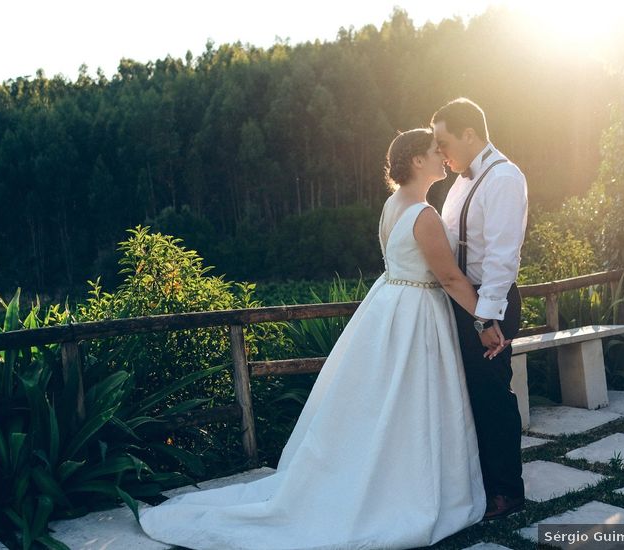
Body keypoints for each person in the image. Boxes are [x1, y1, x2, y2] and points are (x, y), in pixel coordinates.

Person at [139, 128, 501, 549]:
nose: (443, 156)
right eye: (435, 151)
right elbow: (451, 277)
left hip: (389, 309)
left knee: (388, 406)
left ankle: (384, 477)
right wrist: (485, 318)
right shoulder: (423, 214)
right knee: (414, 402)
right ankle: (409, 489)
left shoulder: (392, 205)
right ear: (417, 161)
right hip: (416, 316)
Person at [432, 98, 528, 520]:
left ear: (469, 134)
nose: (441, 151)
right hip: (464, 302)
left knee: (492, 397)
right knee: (467, 396)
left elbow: (503, 257)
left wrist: (485, 317)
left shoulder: (504, 178)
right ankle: (480, 484)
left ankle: (508, 491)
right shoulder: (460, 183)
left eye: (444, 141)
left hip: (490, 304)